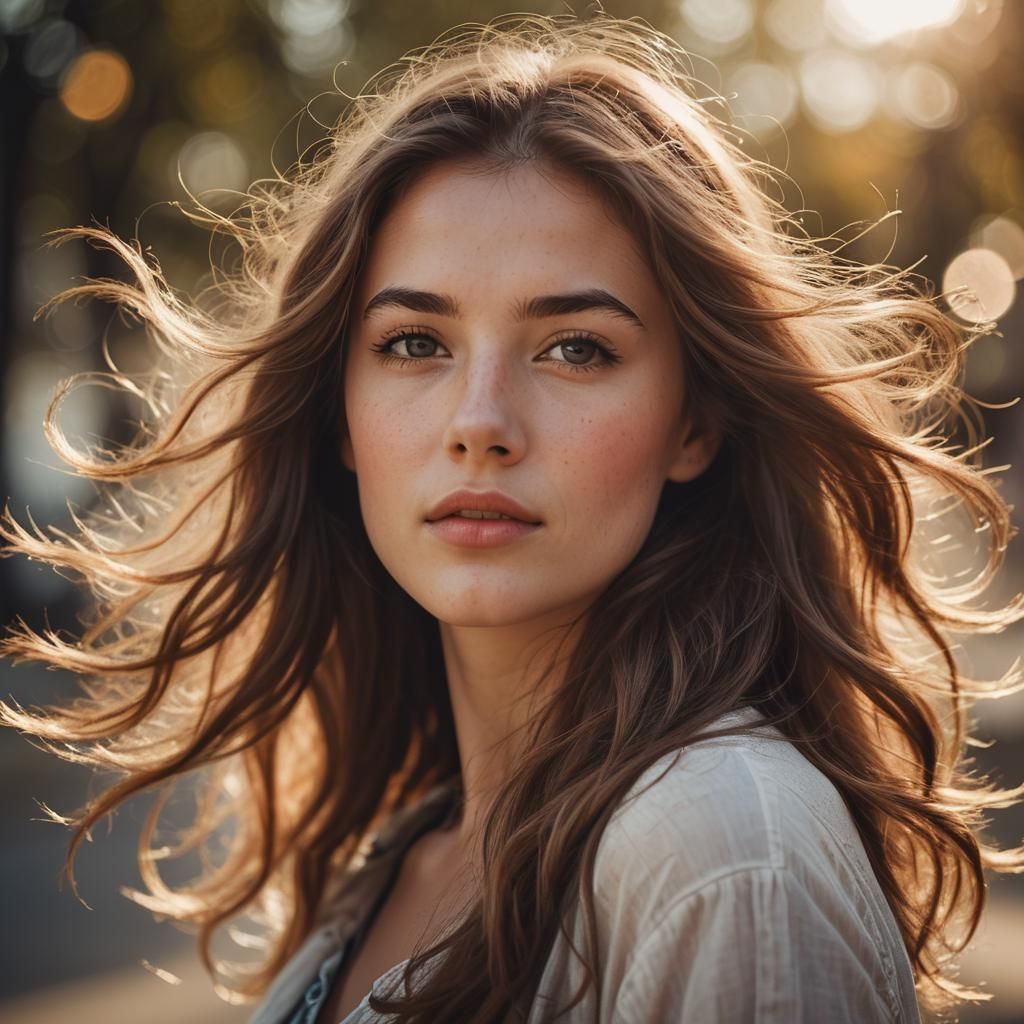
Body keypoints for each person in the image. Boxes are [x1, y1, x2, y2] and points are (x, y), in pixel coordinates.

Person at [2, 11, 1022, 1024]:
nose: (479, 423)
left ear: (694, 425)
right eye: (414, 343)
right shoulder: (408, 841)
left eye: (575, 347)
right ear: (340, 417)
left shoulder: (720, 848)